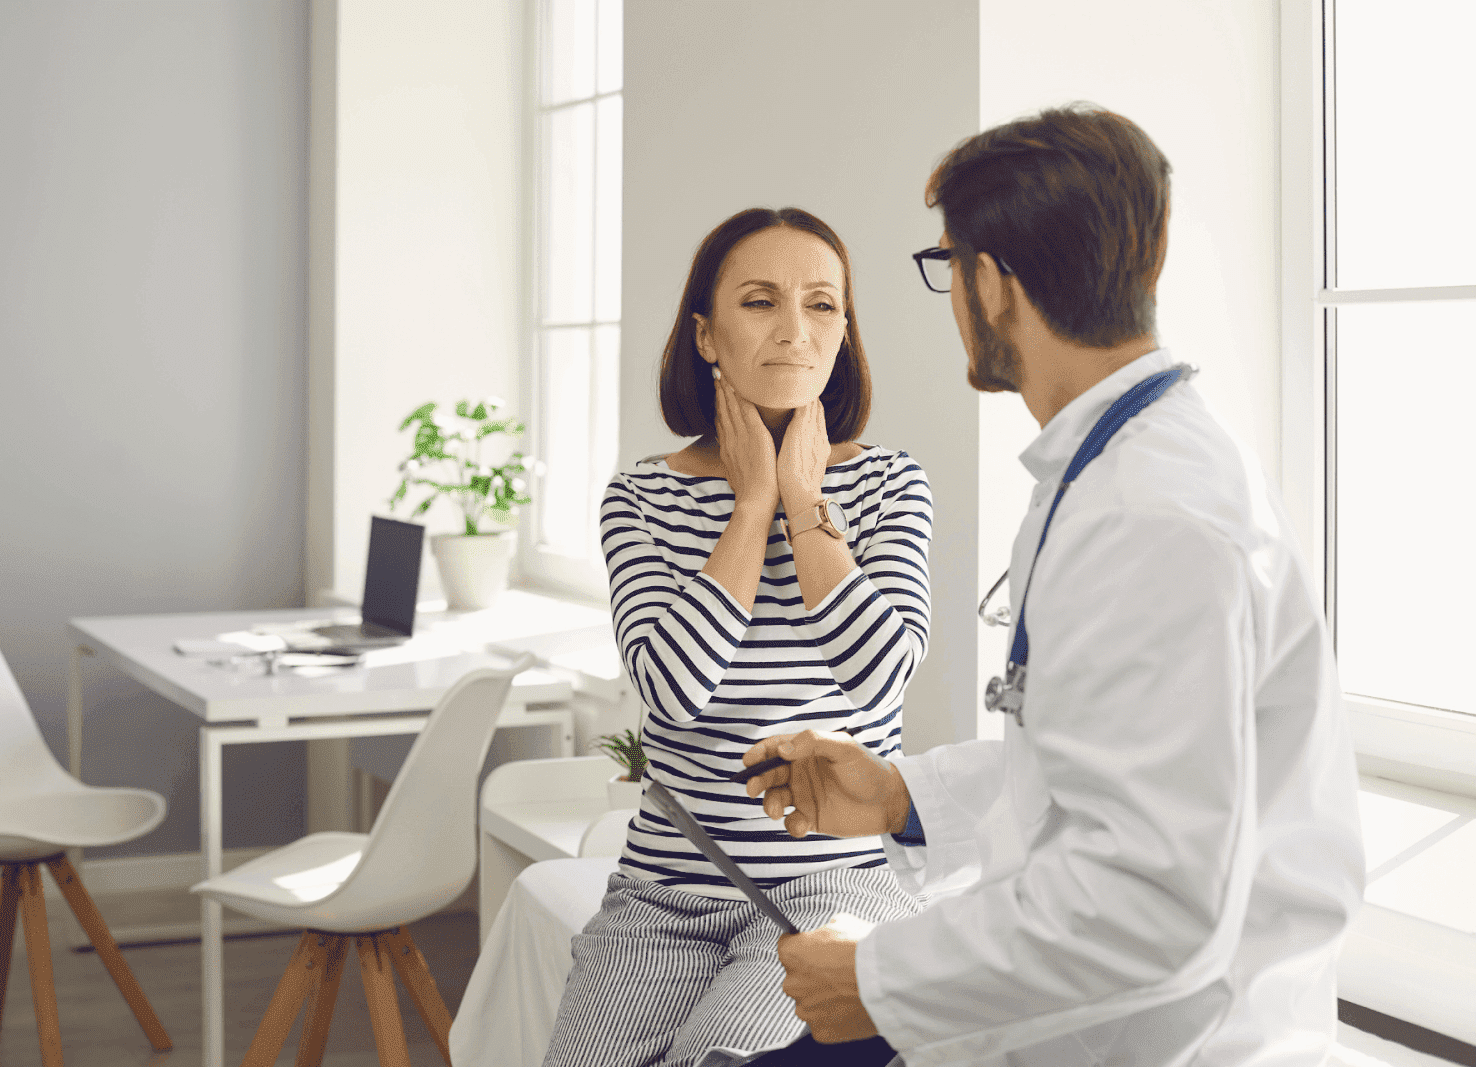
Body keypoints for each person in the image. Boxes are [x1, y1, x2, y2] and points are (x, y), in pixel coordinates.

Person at [744, 105, 1365, 1066]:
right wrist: (902, 796)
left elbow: (1149, 897)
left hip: (1161, 1037)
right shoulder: (1118, 467)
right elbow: (1113, 766)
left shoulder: (1151, 515)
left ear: (992, 284)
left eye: (949, 266)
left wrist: (878, 976)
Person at [542, 206, 934, 1067]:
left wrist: (803, 500)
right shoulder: (640, 497)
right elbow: (673, 689)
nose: (797, 329)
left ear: (844, 331)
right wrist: (751, 507)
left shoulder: (888, 483)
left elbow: (880, 675)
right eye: (761, 301)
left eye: (823, 304)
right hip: (664, 892)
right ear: (707, 335)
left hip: (837, 883)